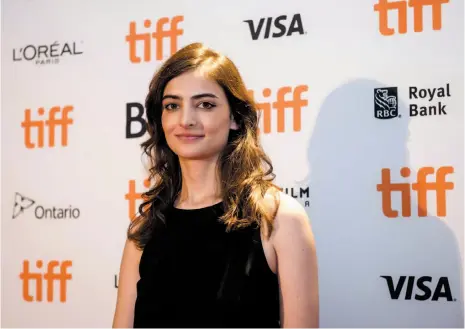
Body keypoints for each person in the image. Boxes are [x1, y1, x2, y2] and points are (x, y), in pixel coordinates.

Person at [112, 42, 319, 328]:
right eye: (172, 105)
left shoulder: (279, 219)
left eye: (205, 104)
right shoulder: (146, 228)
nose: (186, 120)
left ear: (235, 117)